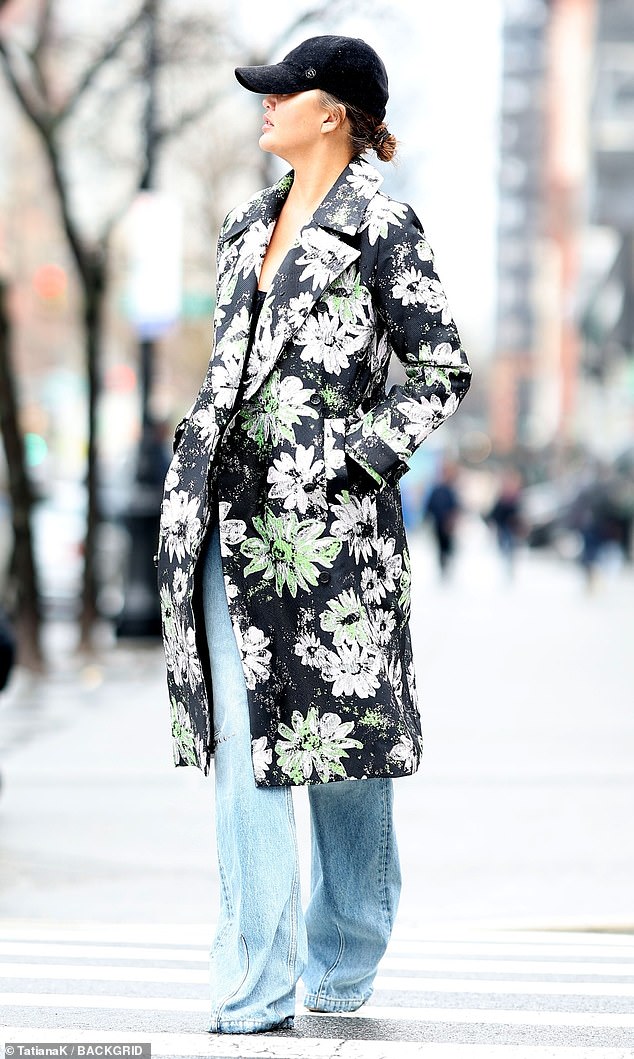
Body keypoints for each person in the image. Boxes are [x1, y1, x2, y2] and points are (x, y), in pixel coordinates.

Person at [156, 35, 471, 1035]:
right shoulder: (245, 223)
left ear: (330, 110)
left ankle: (345, 954)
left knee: (337, 754)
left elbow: (440, 370)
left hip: (329, 535)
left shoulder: (383, 224)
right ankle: (251, 984)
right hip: (221, 517)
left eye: (280, 93)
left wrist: (349, 461)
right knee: (247, 755)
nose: (265, 106)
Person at [423, 460, 461, 577]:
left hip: (448, 525)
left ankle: (448, 567)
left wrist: (453, 519)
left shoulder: (452, 490)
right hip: (438, 524)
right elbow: (429, 506)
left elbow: (456, 507)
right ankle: (443, 568)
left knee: (448, 547)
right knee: (441, 548)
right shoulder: (437, 489)